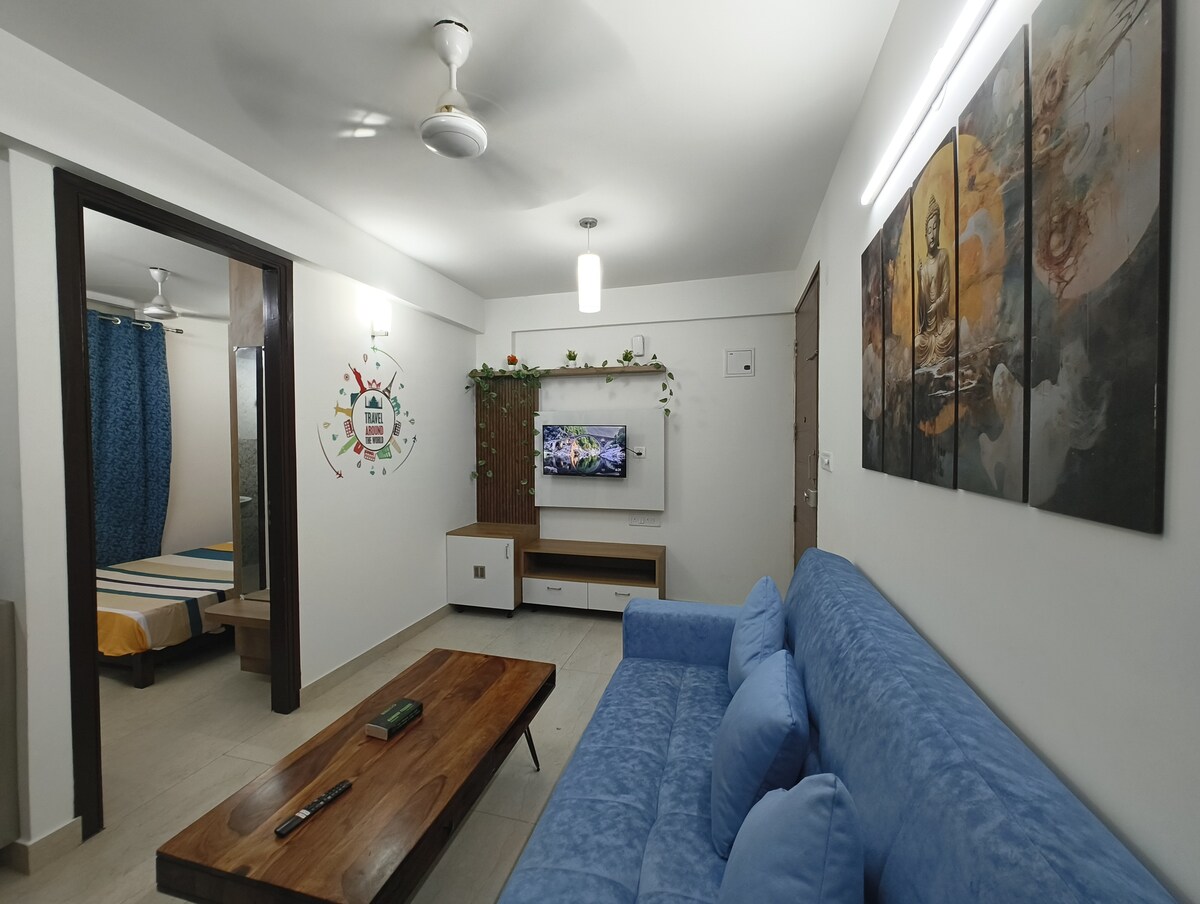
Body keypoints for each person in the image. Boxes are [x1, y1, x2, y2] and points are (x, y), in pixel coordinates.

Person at [915, 194, 955, 367]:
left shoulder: (943, 255)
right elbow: (921, 311)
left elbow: (946, 291)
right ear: (925, 235)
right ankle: (931, 354)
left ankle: (937, 353)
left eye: (935, 228)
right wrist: (919, 279)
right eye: (929, 231)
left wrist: (937, 305)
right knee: (917, 343)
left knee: (953, 328)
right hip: (928, 331)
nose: (932, 235)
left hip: (941, 324)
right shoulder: (924, 268)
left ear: (939, 230)